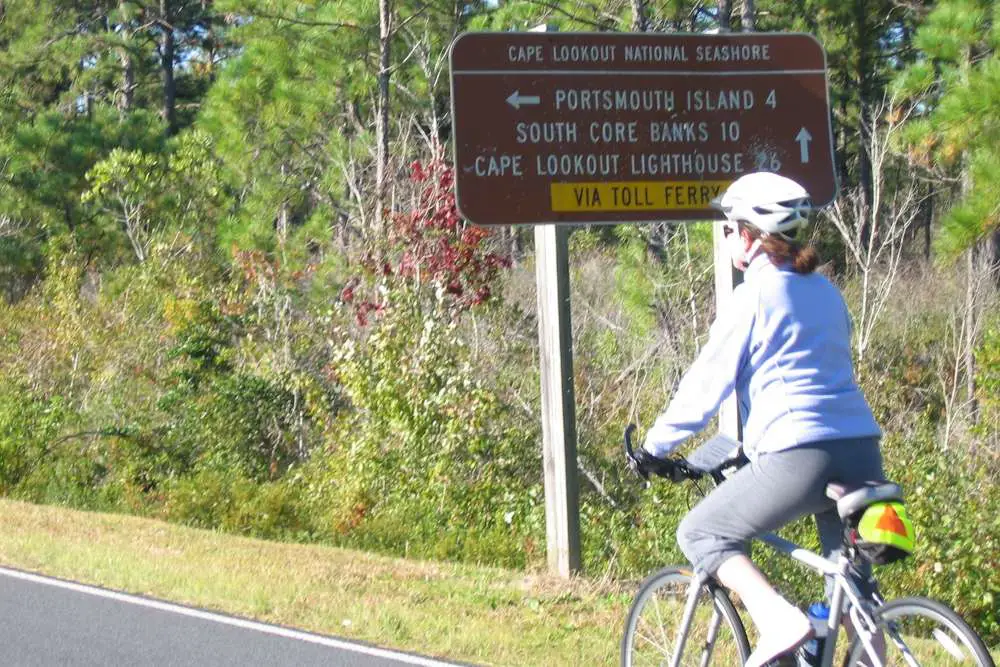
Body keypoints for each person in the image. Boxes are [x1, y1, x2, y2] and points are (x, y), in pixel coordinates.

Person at [628, 172, 884, 667]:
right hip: (862, 447)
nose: (725, 238)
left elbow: (706, 386)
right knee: (852, 590)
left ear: (747, 237)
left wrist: (654, 448)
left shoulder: (753, 297)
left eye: (727, 229)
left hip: (801, 455)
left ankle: (777, 619)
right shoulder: (828, 293)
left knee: (702, 532)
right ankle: (874, 653)